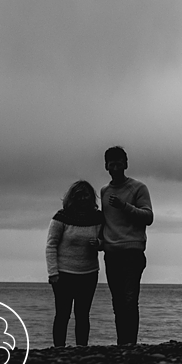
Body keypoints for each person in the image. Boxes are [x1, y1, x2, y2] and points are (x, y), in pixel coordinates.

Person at [101, 145, 154, 345]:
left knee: (130, 300)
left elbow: (148, 217)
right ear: (106, 166)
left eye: (119, 163)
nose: (115, 167)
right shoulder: (104, 191)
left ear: (126, 164)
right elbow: (105, 221)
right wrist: (100, 241)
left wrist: (124, 206)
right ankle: (121, 343)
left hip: (132, 252)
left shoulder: (138, 188)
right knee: (118, 302)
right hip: (111, 253)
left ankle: (130, 343)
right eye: (111, 163)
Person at [45, 180, 104, 347]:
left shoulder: (98, 217)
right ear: (72, 198)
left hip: (89, 273)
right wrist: (53, 272)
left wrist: (99, 244)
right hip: (63, 274)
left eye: (86, 195)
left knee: (83, 314)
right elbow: (51, 245)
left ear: (92, 197)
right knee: (62, 314)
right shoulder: (61, 217)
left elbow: (106, 241)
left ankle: (81, 348)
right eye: (79, 195)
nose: (83, 199)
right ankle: (58, 348)